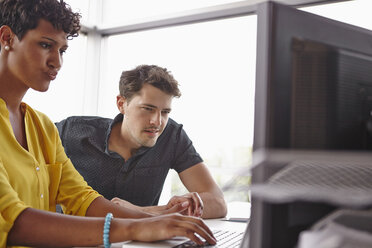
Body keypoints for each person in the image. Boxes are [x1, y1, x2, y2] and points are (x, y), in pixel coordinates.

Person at [0, 0, 217, 247]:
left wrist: (159, 223)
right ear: (7, 38)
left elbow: (83, 199)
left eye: (62, 51)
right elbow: (13, 221)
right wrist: (137, 227)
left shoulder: (42, 127)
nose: (56, 62)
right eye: (45, 45)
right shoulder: (68, 129)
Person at [56, 65, 227, 219]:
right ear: (121, 104)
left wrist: (144, 211)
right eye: (148, 109)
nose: (157, 121)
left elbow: (218, 203)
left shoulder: (172, 137)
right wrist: (163, 212)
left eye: (165, 112)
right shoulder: (71, 131)